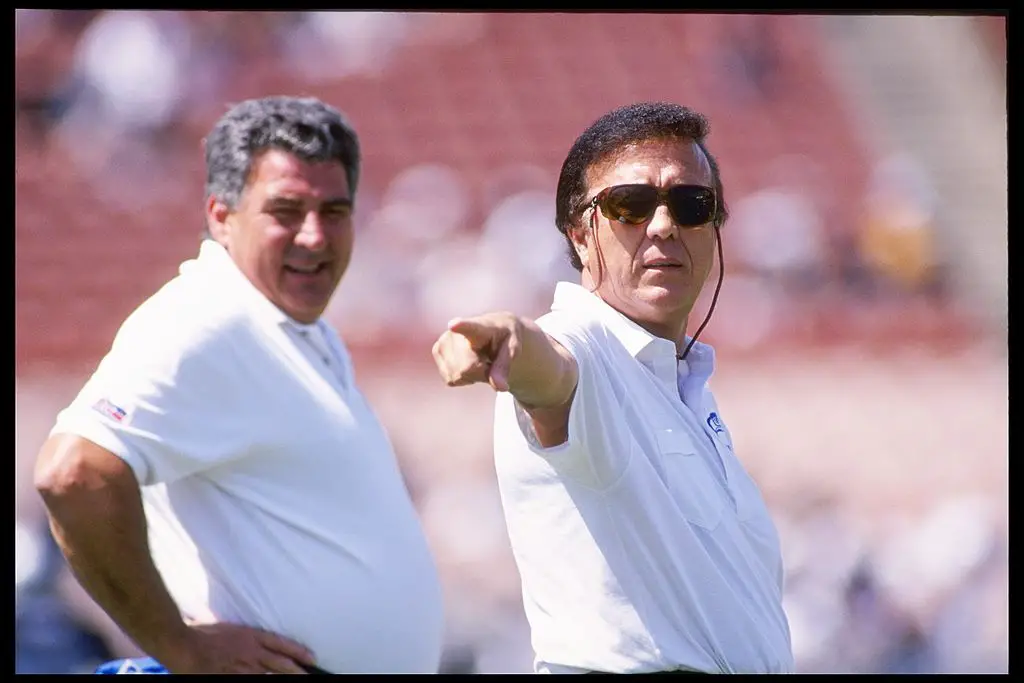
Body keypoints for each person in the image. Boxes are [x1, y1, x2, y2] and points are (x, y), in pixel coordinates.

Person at [33, 95, 445, 674]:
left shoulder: (293, 328)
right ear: (221, 216)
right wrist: (178, 643)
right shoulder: (210, 318)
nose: (314, 236)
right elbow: (73, 472)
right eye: (285, 211)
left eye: (334, 210)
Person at [431, 101, 794, 674]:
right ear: (579, 235)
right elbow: (549, 367)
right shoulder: (584, 346)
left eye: (692, 204)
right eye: (630, 204)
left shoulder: (684, 386)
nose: (663, 224)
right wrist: (504, 342)